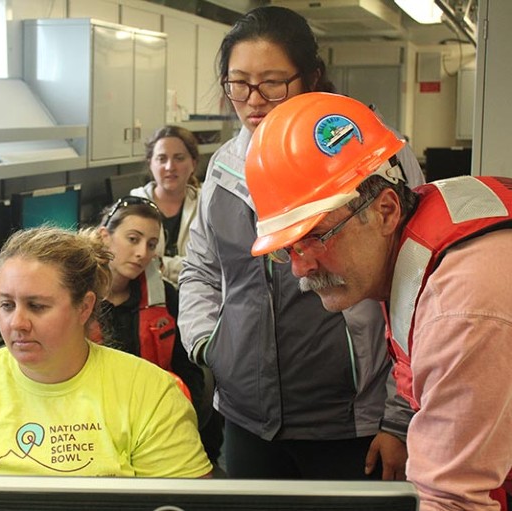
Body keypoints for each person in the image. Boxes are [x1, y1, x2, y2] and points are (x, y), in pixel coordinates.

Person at [177, 5, 425, 480]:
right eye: (238, 82)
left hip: (354, 423)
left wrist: (400, 417)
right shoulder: (225, 170)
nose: (254, 99)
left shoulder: (370, 150)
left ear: (311, 76)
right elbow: (201, 270)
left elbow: (414, 287)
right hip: (248, 417)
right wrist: (210, 344)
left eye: (272, 81)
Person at [244, 91, 512, 510]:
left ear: (386, 210)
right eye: (288, 248)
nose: (300, 268)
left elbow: (455, 502)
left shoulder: (458, 307)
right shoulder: (424, 227)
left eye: (316, 237)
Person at [0, 227, 212, 487]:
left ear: (85, 307)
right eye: (7, 305)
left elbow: (182, 503)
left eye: (37, 306)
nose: (17, 323)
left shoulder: (150, 394)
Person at [91, 196, 220, 465]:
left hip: (158, 427)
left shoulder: (165, 297)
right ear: (105, 237)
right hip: (95, 432)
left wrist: (183, 425)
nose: (142, 253)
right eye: (133, 239)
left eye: (151, 244)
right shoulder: (77, 299)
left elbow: (189, 371)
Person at [130, 125, 200, 285]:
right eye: (162, 159)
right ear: (150, 164)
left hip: (197, 299)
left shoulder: (207, 206)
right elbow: (126, 261)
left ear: (193, 163)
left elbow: (210, 264)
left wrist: (160, 264)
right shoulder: (134, 205)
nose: (170, 167)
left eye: (179, 158)